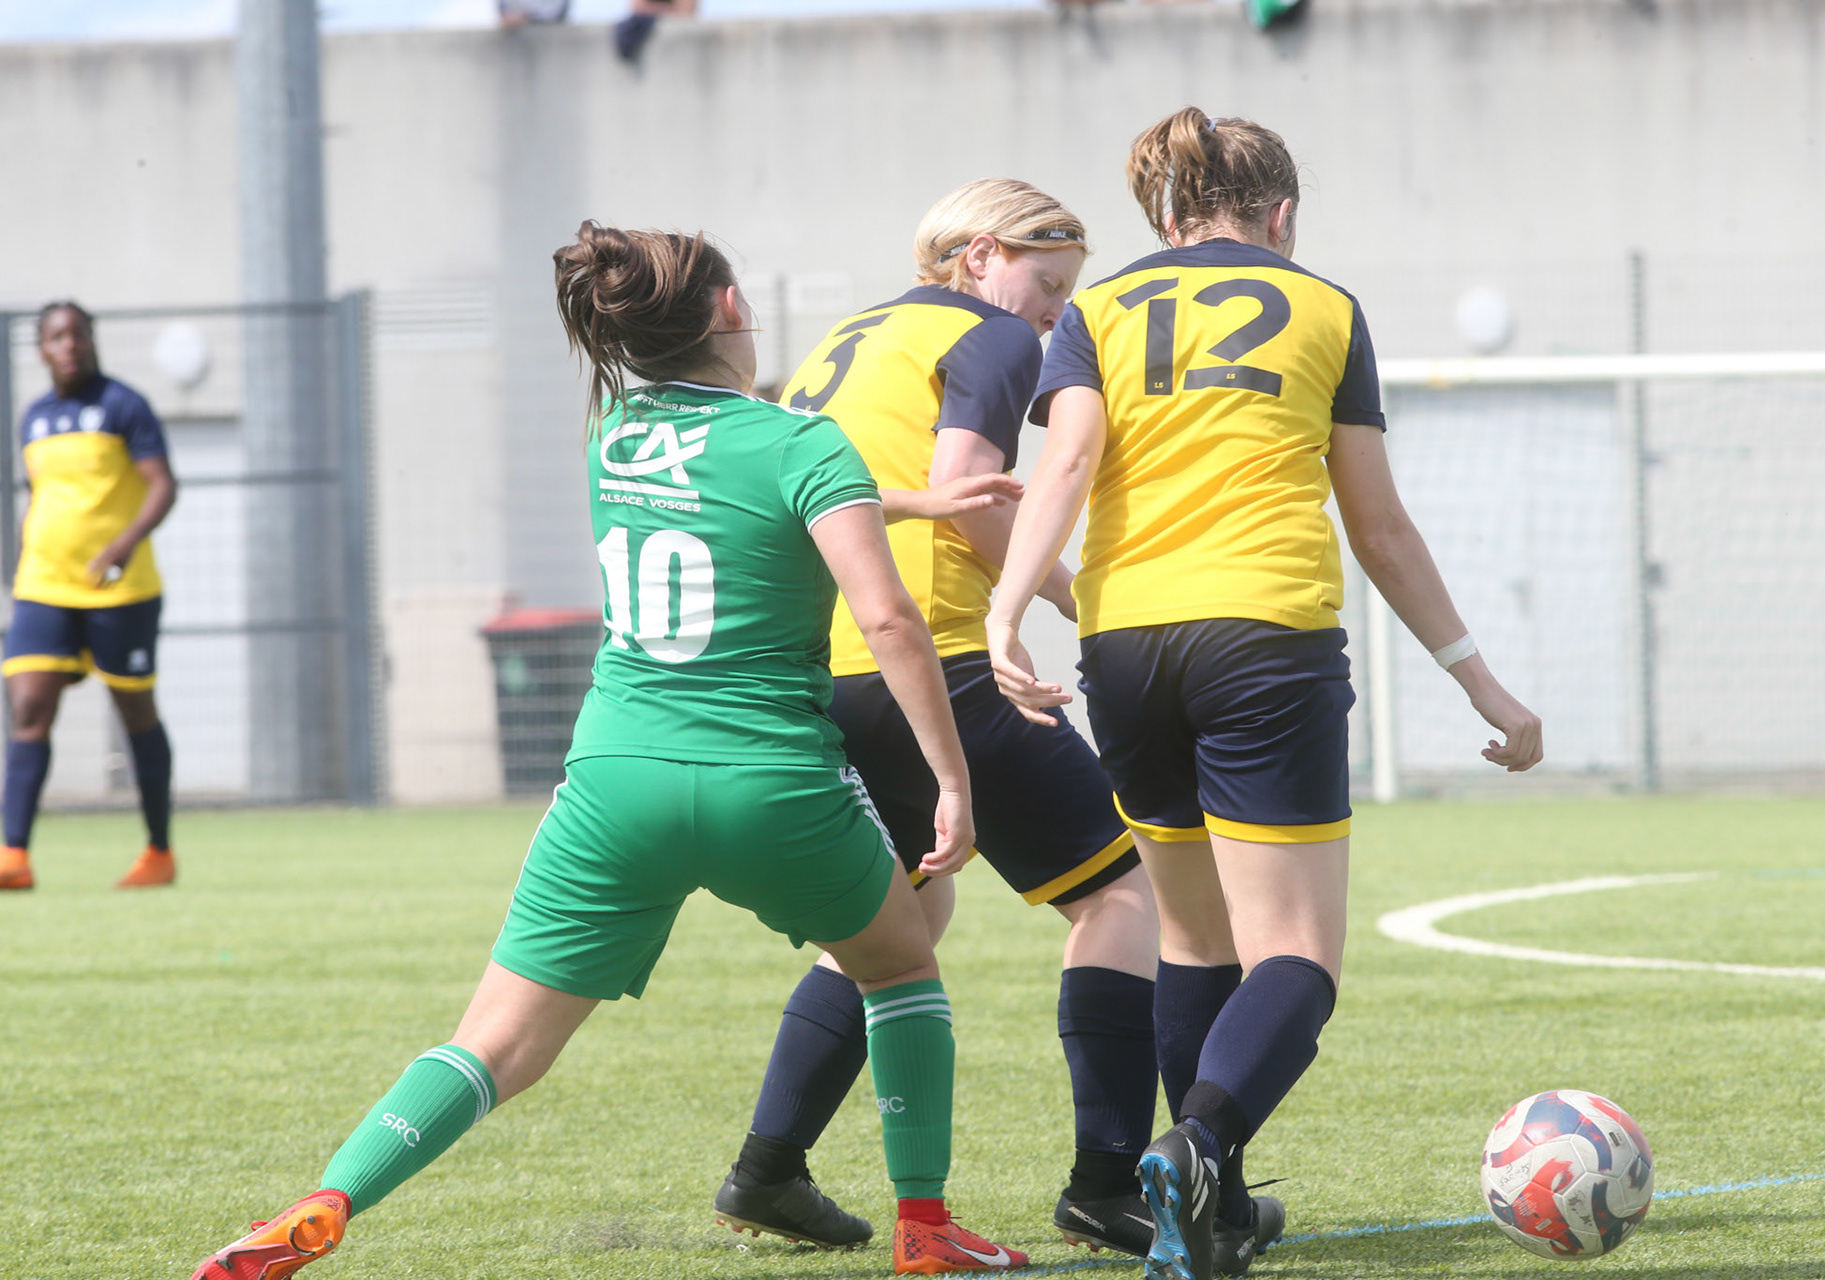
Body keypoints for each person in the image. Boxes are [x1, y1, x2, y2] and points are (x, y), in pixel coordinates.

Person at [187, 223, 1026, 1280]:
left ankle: (328, 1199)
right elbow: (888, 617)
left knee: (496, 1043)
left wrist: (904, 499)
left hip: (614, 782)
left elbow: (734, 495)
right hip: (767, 779)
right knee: (900, 961)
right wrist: (952, 778)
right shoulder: (803, 442)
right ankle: (925, 1225)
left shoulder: (614, 437)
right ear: (731, 309)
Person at [985, 108, 1544, 1280]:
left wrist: (1007, 609)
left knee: (1193, 935)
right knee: (1296, 953)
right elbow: (1378, 527)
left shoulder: (1098, 307)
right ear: (1280, 213)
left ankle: (1215, 1210)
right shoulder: (1326, 307)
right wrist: (1481, 681)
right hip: (1264, 636)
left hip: (1126, 641)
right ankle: (1195, 1146)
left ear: (1168, 213)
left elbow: (1067, 463)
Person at [710, 178, 1165, 1261]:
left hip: (823, 667)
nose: (1054, 311)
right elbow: (966, 495)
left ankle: (769, 1168)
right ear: (977, 258)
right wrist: (1073, 600)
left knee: (905, 920)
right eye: (1047, 282)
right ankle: (1107, 1187)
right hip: (927, 657)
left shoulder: (847, 338)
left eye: (1067, 290)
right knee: (1120, 893)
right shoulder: (989, 333)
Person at [1, 301, 178, 892]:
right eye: (57, 336)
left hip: (119, 591)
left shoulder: (124, 405)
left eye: (78, 334)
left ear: (92, 340)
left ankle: (158, 851)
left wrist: (123, 544)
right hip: (44, 586)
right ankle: (13, 855)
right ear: (41, 350)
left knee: (135, 712)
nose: (70, 345)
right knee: (28, 707)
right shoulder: (34, 417)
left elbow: (162, 485)